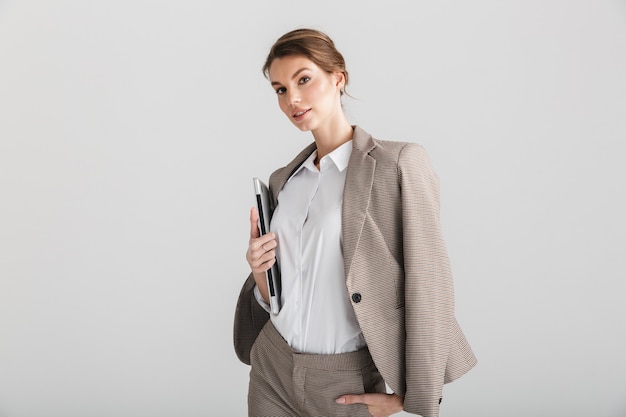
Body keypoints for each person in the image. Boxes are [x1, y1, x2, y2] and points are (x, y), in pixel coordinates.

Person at [234, 28, 477, 417]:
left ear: (338, 77)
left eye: (304, 79)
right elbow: (285, 289)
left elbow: (429, 283)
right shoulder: (285, 180)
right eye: (280, 89)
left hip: (345, 380)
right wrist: (260, 273)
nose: (292, 98)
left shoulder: (398, 164)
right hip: (273, 369)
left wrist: (413, 397)